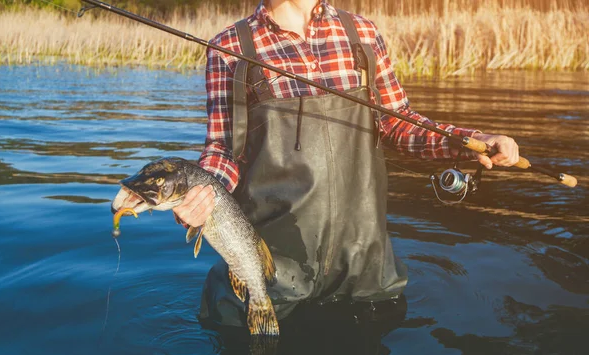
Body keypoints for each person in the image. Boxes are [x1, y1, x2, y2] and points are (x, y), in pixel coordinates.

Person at [173, 0, 519, 328]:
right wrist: (201, 195)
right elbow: (224, 149)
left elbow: (399, 121)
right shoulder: (229, 46)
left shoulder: (362, 33)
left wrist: (472, 140)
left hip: (365, 267)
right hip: (274, 267)